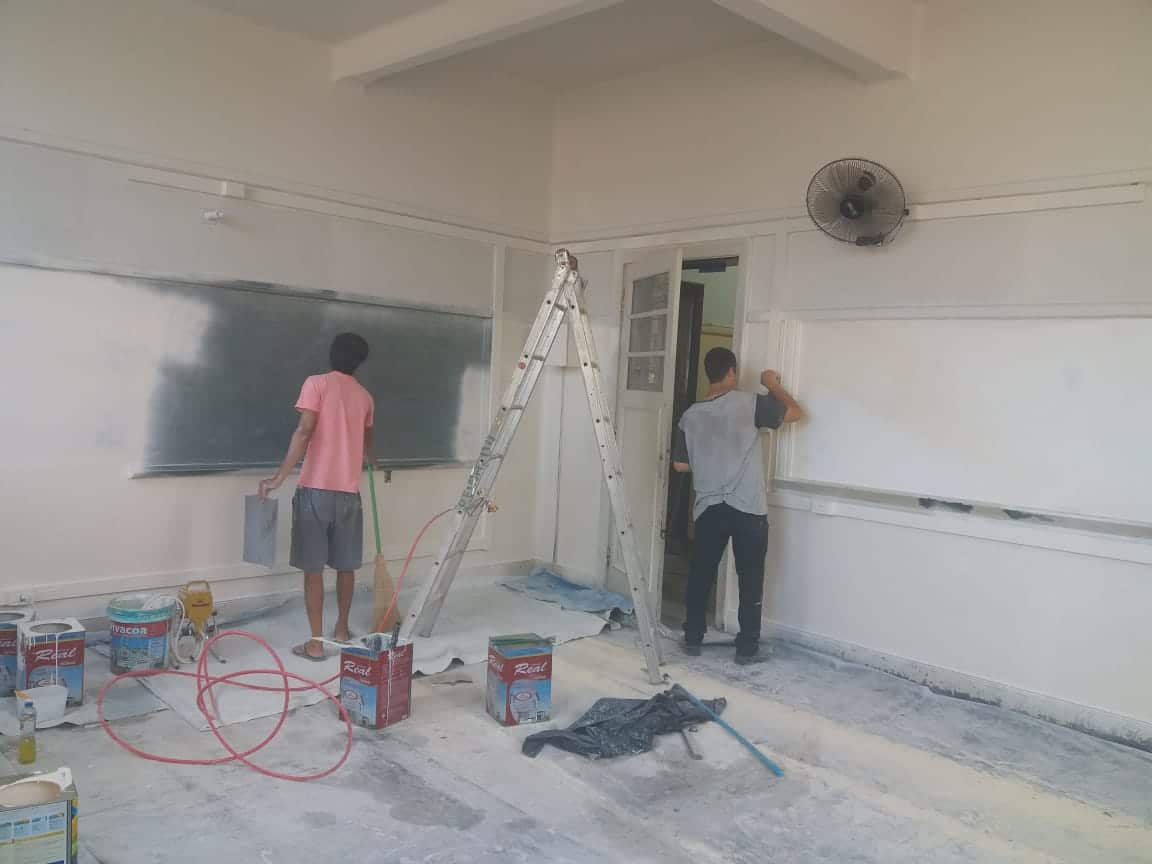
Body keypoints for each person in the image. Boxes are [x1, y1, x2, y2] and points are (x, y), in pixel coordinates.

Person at [671, 346, 803, 665]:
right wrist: (771, 383)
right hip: (748, 508)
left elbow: (680, 465)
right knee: (750, 578)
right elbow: (795, 412)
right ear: (731, 372)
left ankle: (693, 638)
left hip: (708, 508)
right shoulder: (750, 403)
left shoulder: (690, 416)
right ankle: (746, 649)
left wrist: (711, 459)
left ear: (708, 374)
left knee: (701, 574)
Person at [259, 333, 375, 660]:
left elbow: (304, 430)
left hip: (315, 492)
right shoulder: (365, 397)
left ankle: (316, 643)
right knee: (346, 567)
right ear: (360, 362)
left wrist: (279, 477)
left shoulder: (317, 384)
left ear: (332, 354)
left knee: (313, 571)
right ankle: (342, 630)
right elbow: (368, 440)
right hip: (349, 495)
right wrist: (372, 458)